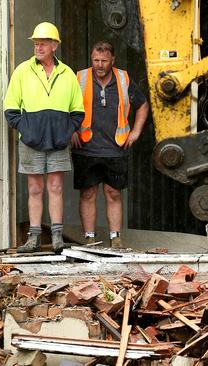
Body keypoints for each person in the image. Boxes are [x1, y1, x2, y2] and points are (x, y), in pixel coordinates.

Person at [4, 22, 85, 253]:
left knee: (56, 187)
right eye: (36, 43)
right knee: (35, 189)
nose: (38, 47)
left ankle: (57, 237)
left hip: (58, 141)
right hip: (31, 142)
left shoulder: (67, 73)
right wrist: (26, 130)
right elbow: (10, 109)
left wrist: (65, 131)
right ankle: (34, 238)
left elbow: (78, 111)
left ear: (54, 46)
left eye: (42, 43)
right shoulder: (22, 71)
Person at [71, 41, 149, 248]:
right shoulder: (79, 78)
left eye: (104, 61)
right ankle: (89, 237)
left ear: (112, 60)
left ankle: (116, 238)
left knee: (113, 193)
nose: (99, 65)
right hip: (86, 146)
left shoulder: (123, 79)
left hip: (116, 147)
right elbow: (64, 106)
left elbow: (142, 105)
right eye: (96, 60)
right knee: (88, 193)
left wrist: (136, 132)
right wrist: (71, 130)